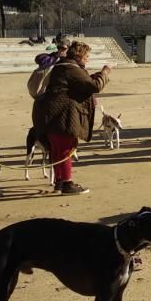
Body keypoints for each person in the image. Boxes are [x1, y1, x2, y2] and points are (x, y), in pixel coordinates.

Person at [33, 41, 110, 195]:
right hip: (61, 114)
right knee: (65, 148)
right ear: (79, 55)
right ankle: (67, 183)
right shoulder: (70, 68)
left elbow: (81, 82)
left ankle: (60, 182)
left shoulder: (62, 66)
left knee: (57, 149)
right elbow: (94, 86)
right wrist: (104, 73)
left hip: (50, 113)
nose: (87, 59)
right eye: (86, 56)